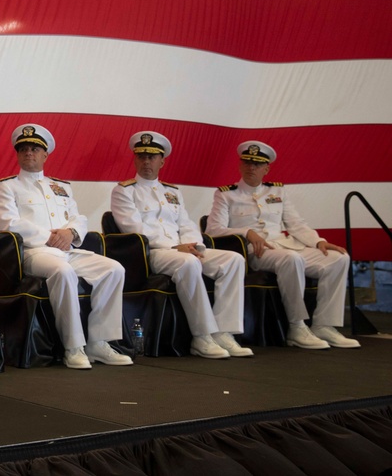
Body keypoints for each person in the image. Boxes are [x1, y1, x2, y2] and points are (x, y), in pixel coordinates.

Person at [0, 124, 133, 369]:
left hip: (68, 250)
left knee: (114, 269)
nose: (29, 153)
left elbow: (78, 217)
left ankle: (98, 342)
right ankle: (73, 346)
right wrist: (48, 237)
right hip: (34, 253)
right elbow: (9, 224)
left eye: (35, 149)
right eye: (23, 149)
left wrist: (71, 232)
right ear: (17, 154)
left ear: (45, 154)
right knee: (63, 271)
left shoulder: (62, 186)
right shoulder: (7, 186)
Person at [110, 131, 252, 359]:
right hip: (153, 253)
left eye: (152, 157)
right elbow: (134, 230)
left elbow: (185, 223)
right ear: (135, 160)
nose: (147, 161)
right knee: (187, 263)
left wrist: (194, 245)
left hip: (182, 249)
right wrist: (179, 249)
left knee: (233, 259)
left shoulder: (173, 192)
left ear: (162, 161)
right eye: (142, 156)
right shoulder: (124, 191)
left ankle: (225, 332)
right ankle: (202, 335)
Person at [205, 141, 360, 349]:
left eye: (257, 164)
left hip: (285, 246)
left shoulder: (278, 192)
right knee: (292, 258)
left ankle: (324, 324)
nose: (251, 167)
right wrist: (246, 232)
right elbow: (213, 229)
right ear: (240, 165)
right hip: (255, 252)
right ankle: (297, 326)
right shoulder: (226, 194)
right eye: (247, 162)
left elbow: (296, 225)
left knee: (339, 259)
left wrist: (319, 241)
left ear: (266, 169)